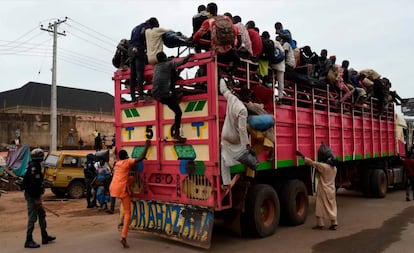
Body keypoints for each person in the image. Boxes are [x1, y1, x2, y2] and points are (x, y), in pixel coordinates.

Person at [109, 141, 150, 248]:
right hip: (122, 190)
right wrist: (146, 146)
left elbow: (115, 155)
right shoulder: (127, 162)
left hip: (113, 188)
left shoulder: (117, 163)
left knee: (131, 178)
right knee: (128, 213)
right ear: (126, 156)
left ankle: (128, 189)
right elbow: (140, 158)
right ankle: (123, 236)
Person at [219, 76, 254, 191]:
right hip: (235, 136)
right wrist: (247, 145)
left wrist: (221, 79)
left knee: (224, 159)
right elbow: (242, 129)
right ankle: (243, 173)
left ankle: (225, 183)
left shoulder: (232, 99)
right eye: (249, 96)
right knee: (244, 153)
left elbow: (223, 90)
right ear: (246, 97)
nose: (249, 98)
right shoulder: (243, 109)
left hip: (225, 133)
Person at [152, 51, 193, 142]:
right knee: (178, 112)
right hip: (165, 95)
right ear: (165, 57)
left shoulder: (156, 67)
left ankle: (175, 130)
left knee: (173, 103)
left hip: (155, 94)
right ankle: (176, 134)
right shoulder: (169, 64)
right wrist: (188, 56)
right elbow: (182, 62)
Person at [296, 144, 338, 230]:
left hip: (323, 190)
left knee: (319, 206)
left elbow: (312, 163)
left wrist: (302, 156)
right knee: (332, 206)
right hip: (332, 190)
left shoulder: (324, 167)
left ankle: (320, 224)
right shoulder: (334, 169)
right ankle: (334, 223)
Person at [21, 148, 56, 248]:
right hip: (32, 196)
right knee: (32, 217)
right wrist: (36, 198)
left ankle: (44, 236)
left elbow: (37, 183)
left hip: (36, 195)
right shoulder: (34, 168)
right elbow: (33, 185)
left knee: (42, 214)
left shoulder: (35, 166)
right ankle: (28, 240)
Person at [128, 17, 159, 101]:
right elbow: (143, 35)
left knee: (132, 75)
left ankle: (133, 96)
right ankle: (141, 95)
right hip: (139, 50)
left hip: (131, 50)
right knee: (139, 73)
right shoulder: (147, 27)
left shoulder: (135, 28)